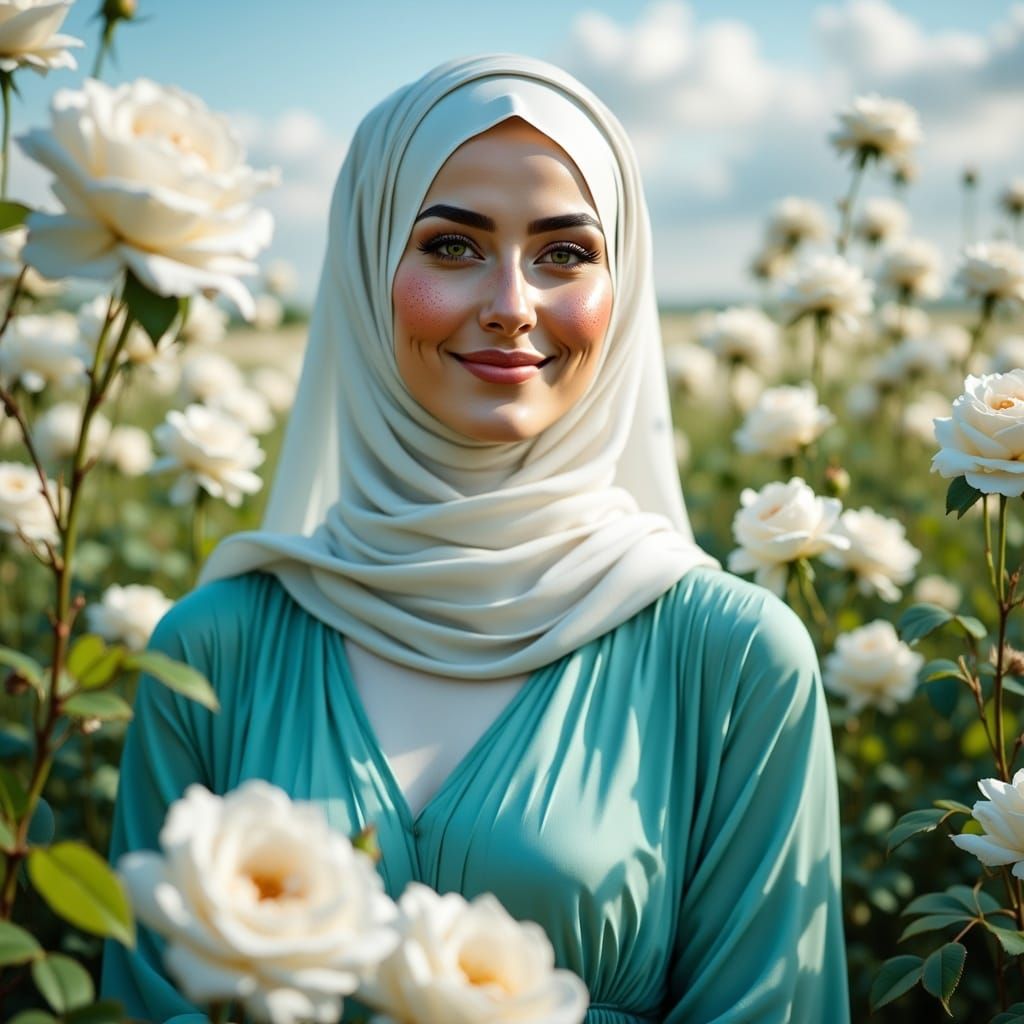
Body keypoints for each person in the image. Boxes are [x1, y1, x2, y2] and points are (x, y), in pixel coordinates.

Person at [102, 54, 850, 1023]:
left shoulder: (734, 661)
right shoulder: (213, 650)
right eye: (452, 246)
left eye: (564, 252)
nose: (511, 301)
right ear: (369, 264)